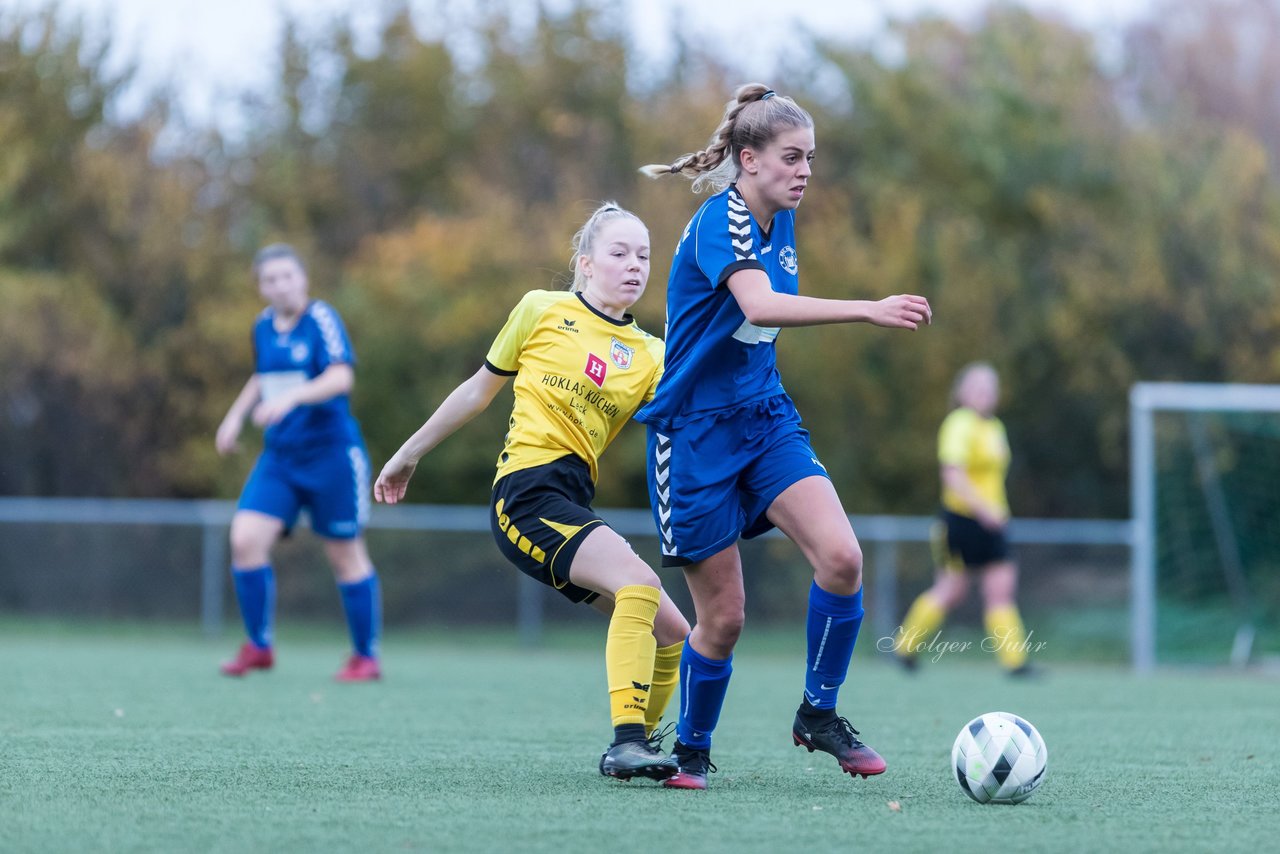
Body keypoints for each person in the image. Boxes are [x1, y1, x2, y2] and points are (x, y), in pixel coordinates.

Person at [636, 83, 932, 789]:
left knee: (842, 558)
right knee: (726, 619)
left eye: (811, 159)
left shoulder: (780, 218)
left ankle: (818, 715)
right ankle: (693, 750)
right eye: (792, 158)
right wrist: (868, 308)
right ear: (749, 160)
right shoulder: (721, 221)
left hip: (764, 419)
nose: (805, 172)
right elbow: (760, 303)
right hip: (695, 436)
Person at [373, 202, 692, 781]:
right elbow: (475, 393)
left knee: (674, 632)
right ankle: (627, 742)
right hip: (525, 494)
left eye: (644, 255)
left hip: (573, 501)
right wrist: (406, 454)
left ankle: (640, 746)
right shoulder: (541, 309)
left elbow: (689, 426)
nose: (634, 265)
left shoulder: (652, 355)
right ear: (585, 263)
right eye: (619, 252)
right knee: (640, 585)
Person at [215, 244, 382, 682]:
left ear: (303, 278)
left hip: (331, 456)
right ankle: (259, 646)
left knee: (345, 556)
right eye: (270, 279)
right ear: (260, 286)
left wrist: (291, 398)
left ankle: (365, 656)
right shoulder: (262, 327)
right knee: (244, 539)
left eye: (287, 276)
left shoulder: (321, 319)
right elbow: (262, 376)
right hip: (281, 458)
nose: (280, 285)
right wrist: (233, 418)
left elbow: (341, 376)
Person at [893, 362, 1036, 676]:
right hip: (961, 521)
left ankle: (1016, 664)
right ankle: (905, 648)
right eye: (978, 387)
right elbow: (952, 477)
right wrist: (985, 511)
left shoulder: (995, 427)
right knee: (950, 590)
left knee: (1001, 591)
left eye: (991, 388)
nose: (986, 394)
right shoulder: (958, 424)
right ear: (962, 393)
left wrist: (996, 513)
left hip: (993, 523)